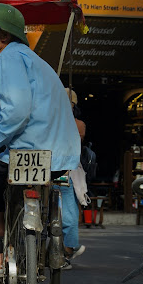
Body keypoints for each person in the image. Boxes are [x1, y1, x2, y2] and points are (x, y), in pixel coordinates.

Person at [0, 3, 81, 282]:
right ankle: (5, 239)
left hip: (28, 153)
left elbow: (17, 114)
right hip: (57, 157)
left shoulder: (8, 59)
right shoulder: (31, 59)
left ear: (4, 37)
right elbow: (23, 116)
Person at [58, 88, 87, 270]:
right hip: (49, 169)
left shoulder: (77, 124)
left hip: (64, 172)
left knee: (68, 215)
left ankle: (67, 250)